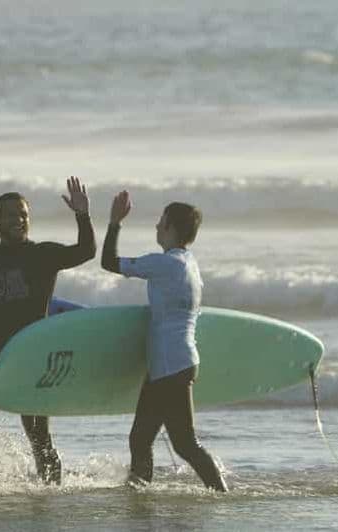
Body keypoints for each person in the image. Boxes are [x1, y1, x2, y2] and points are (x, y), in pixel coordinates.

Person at [0, 176, 96, 485]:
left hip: (31, 356)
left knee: (38, 434)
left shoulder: (42, 254)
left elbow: (86, 251)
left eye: (23, 214)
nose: (18, 220)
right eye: (11, 214)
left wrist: (82, 214)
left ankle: (51, 491)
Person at [101, 190, 228, 492]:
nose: (156, 227)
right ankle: (141, 492)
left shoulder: (165, 263)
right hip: (175, 363)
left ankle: (219, 493)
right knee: (148, 438)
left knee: (182, 443)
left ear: (171, 228)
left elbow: (108, 262)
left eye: (161, 222)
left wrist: (114, 223)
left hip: (170, 367)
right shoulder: (190, 264)